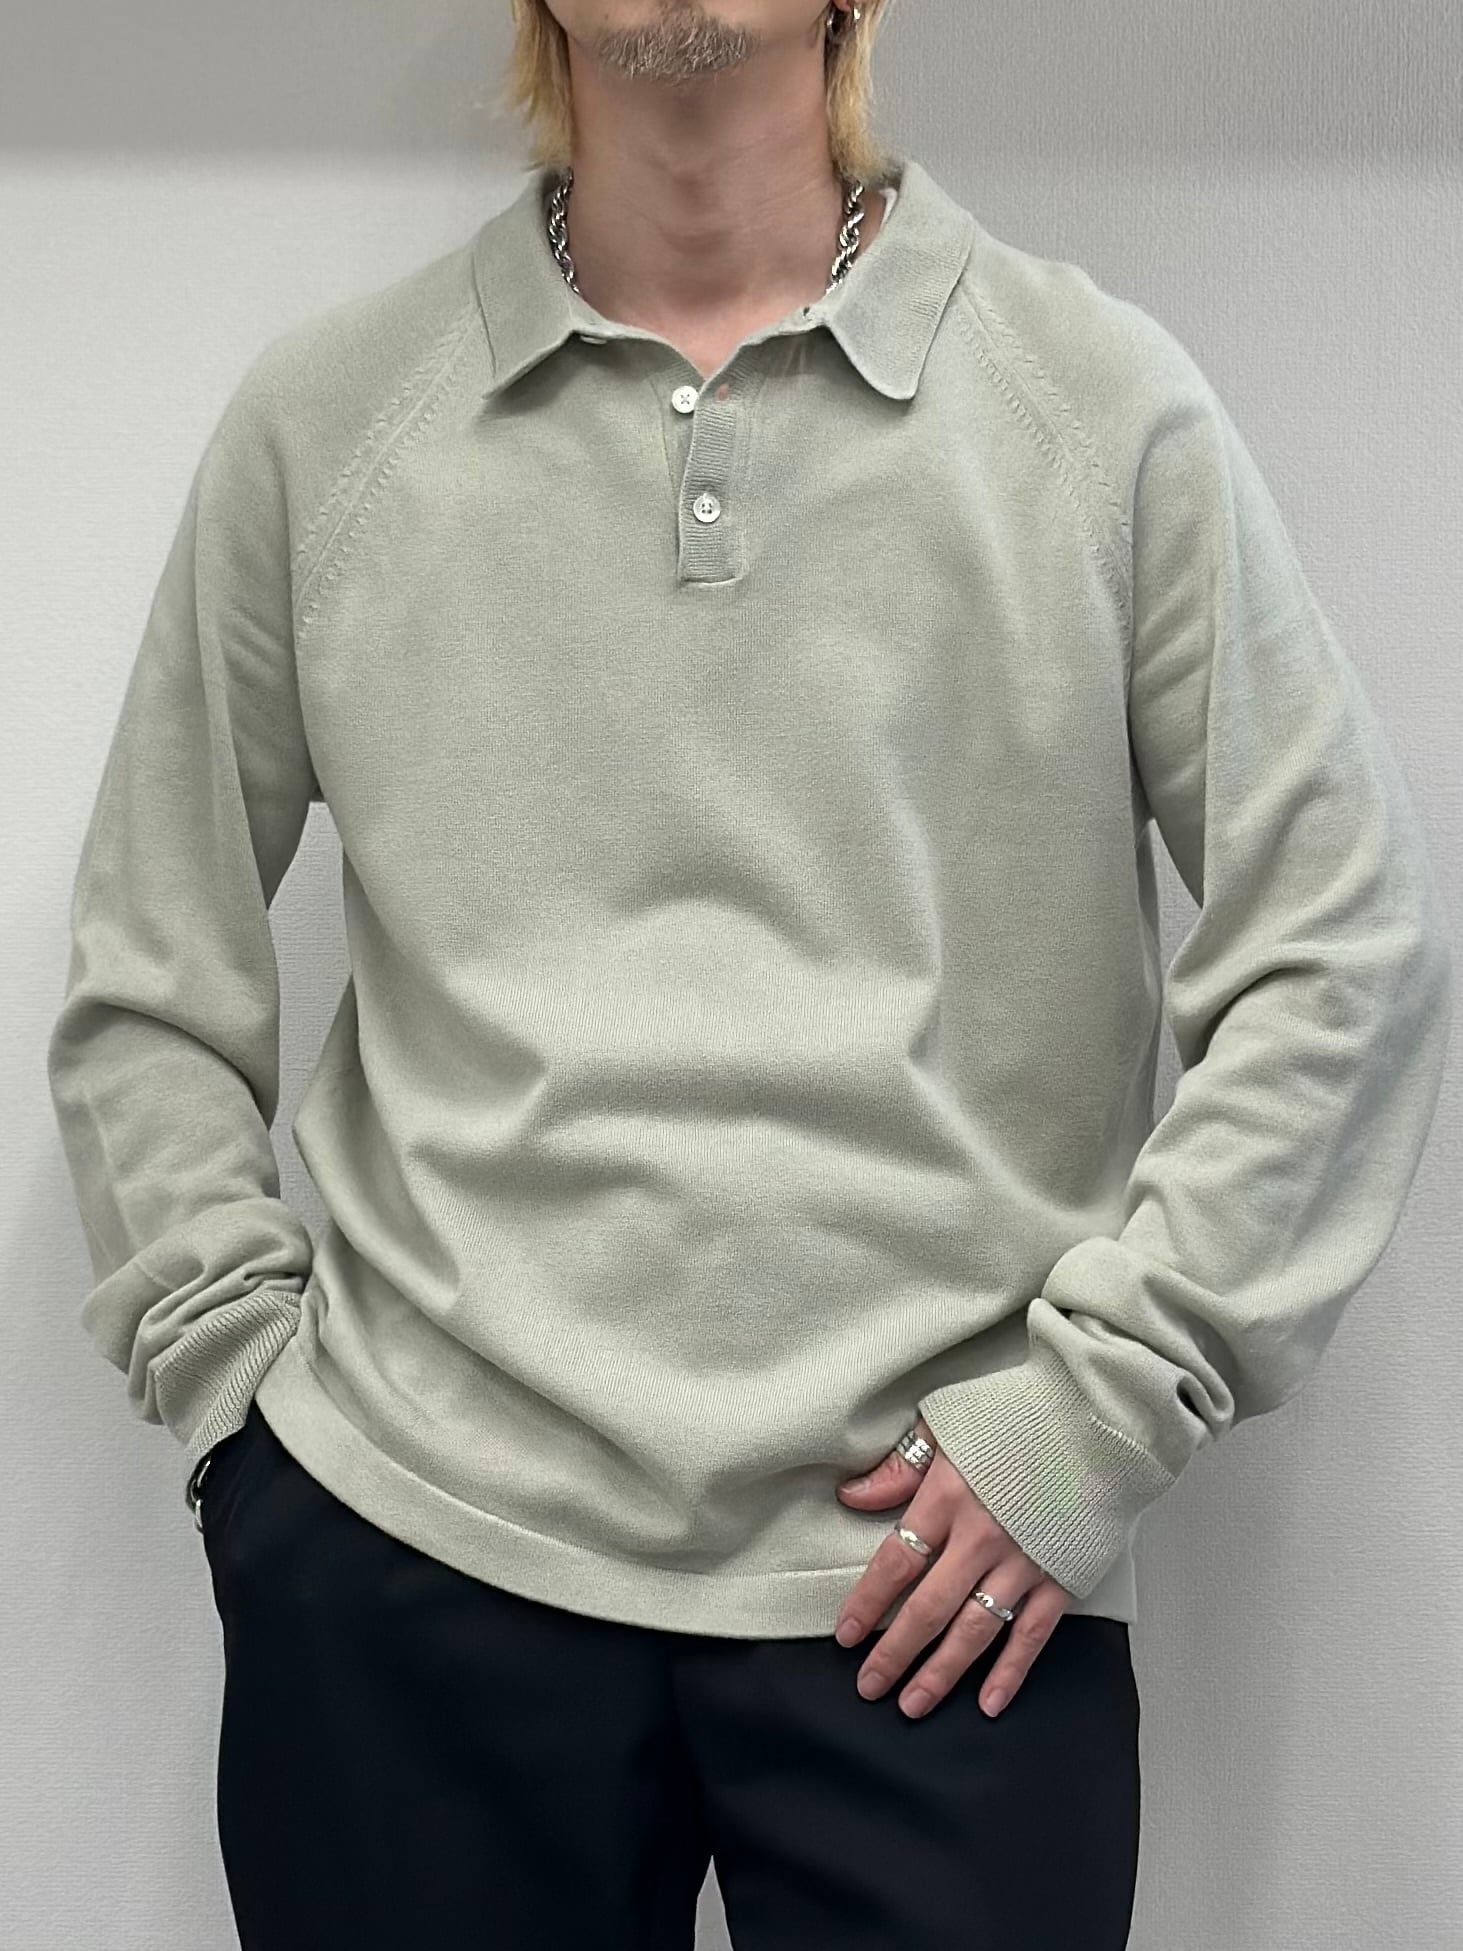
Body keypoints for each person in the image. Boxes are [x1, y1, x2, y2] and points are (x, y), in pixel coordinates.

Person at [46, 3, 1453, 1947]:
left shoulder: (1098, 409)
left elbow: (1343, 938)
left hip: (946, 1586)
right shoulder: (328, 422)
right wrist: (244, 1419)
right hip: (409, 1557)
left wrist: (1098, 1417)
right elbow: (150, 968)